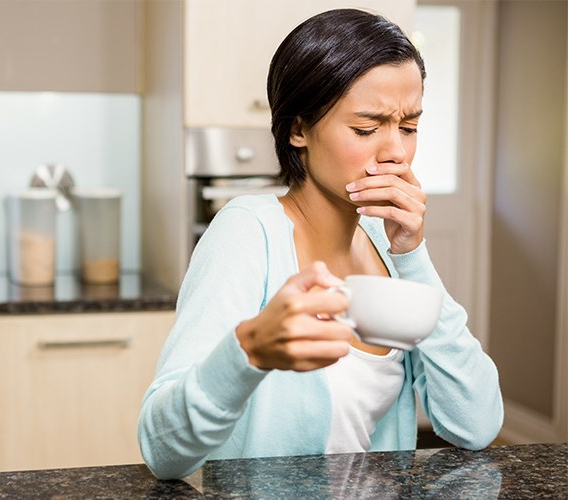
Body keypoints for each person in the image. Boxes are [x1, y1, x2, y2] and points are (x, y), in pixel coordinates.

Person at [138, 8, 503, 480]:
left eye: (409, 127)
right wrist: (247, 352)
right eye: (367, 129)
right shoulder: (247, 233)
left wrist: (413, 254)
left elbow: (476, 424)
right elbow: (162, 451)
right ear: (298, 129)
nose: (395, 151)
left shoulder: (384, 244)